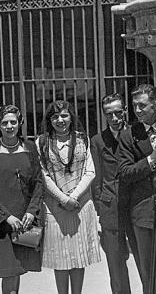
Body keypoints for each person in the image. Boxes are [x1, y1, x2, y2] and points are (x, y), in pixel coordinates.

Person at [36, 100, 102, 294]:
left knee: (78, 256)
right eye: (55, 116)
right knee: (61, 258)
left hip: (81, 205)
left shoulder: (83, 139)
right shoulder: (42, 142)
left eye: (64, 115)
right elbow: (43, 174)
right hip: (55, 208)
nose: (60, 120)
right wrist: (63, 199)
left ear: (71, 117)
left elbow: (90, 171)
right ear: (49, 120)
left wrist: (73, 197)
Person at [0, 105, 45, 293]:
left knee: (18, 271)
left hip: (25, 220)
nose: (9, 126)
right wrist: (6, 216)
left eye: (13, 122)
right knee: (8, 272)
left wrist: (32, 212)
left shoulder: (30, 148)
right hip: (1, 222)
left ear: (20, 123)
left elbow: (38, 182)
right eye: (4, 123)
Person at [116, 84, 156, 292]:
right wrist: (151, 160)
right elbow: (124, 172)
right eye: (135, 106)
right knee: (149, 271)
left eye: (142, 106)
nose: (137, 110)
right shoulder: (130, 135)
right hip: (145, 211)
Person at [90, 94, 140, 294]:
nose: (115, 118)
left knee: (143, 257)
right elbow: (96, 177)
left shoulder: (137, 134)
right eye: (109, 114)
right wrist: (100, 205)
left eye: (118, 112)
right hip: (111, 207)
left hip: (136, 204)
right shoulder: (98, 140)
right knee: (115, 261)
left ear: (125, 110)